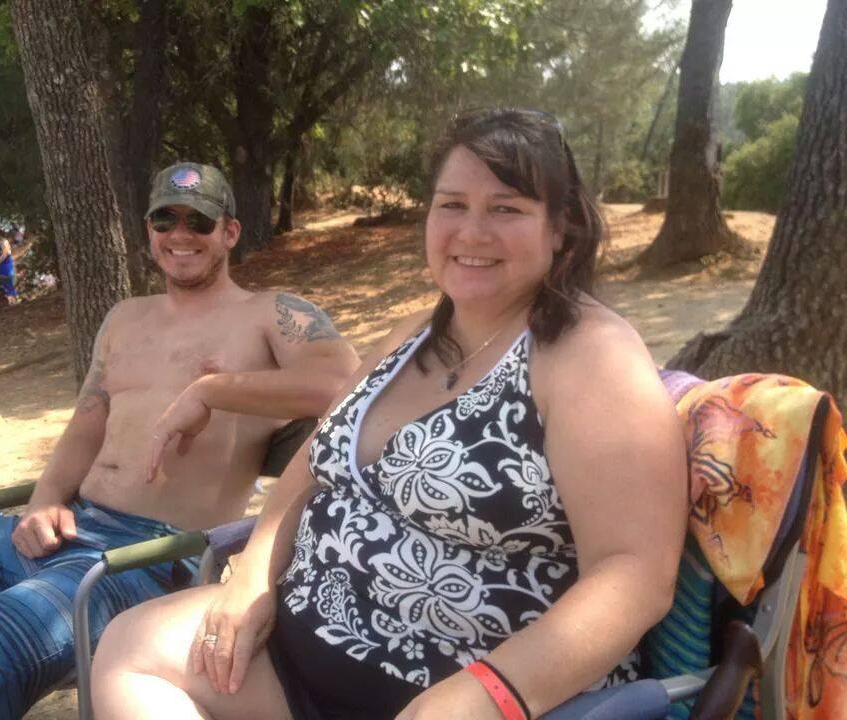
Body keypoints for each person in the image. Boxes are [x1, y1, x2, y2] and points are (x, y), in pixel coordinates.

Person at [91, 110, 688, 720]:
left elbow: (635, 574)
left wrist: (487, 692)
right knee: (131, 649)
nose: (471, 231)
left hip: (465, 687)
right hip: (302, 649)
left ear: (561, 228)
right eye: (452, 204)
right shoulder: (413, 337)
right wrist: (252, 580)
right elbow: (312, 465)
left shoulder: (591, 356)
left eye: (506, 208)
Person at [0, 161, 360, 720]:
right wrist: (44, 499)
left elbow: (345, 386)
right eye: (165, 220)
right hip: (65, 529)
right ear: (148, 232)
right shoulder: (123, 318)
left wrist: (211, 390)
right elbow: (88, 421)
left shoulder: (273, 314)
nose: (180, 235)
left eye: (199, 221)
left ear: (229, 232)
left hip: (144, 559)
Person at [0, 230, 18, 301]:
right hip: (0, 265)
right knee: (0, 282)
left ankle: (13, 298)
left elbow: (6, 253)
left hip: (5, 264)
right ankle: (5, 299)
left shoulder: (4, 242)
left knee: (7, 279)